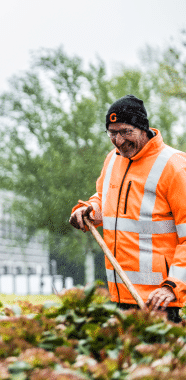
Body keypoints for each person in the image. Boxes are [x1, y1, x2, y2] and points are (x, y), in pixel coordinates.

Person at [69, 94, 186, 323]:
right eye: (112, 133)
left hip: (159, 301)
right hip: (120, 295)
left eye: (125, 132)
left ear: (143, 128)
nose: (119, 141)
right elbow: (104, 198)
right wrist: (89, 209)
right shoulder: (113, 159)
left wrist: (173, 287)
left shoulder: (175, 166)